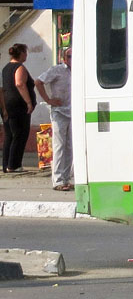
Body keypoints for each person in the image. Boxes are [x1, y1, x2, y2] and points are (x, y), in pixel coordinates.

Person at [35, 47, 73, 191]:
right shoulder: (57, 70)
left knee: (70, 146)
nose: (71, 59)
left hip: (73, 111)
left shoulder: (79, 70)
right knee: (59, 145)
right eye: (69, 57)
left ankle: (66, 178)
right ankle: (57, 180)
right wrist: (48, 99)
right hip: (59, 112)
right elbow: (38, 82)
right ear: (64, 58)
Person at [1, 43, 36, 174]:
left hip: (7, 105)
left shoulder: (6, 68)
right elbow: (20, 84)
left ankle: (7, 165)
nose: (26, 55)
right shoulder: (19, 67)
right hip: (18, 106)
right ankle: (14, 165)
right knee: (20, 134)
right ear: (21, 53)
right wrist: (28, 102)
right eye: (25, 52)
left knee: (10, 135)